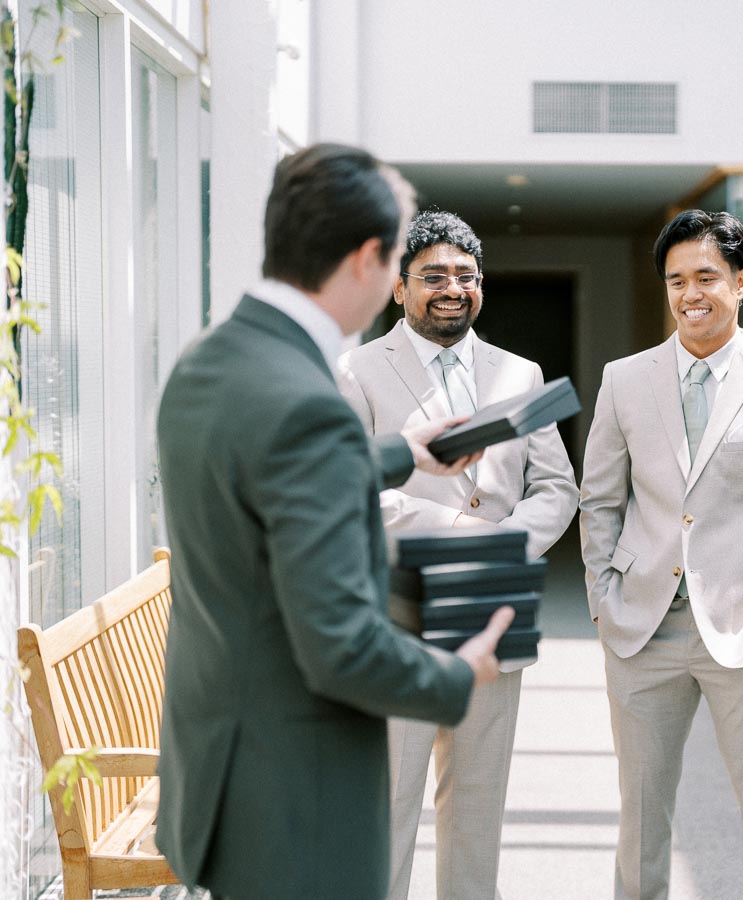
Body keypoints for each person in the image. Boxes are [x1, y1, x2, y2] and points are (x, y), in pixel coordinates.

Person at [155, 143, 512, 900]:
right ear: (368, 260)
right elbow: (341, 650)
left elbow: (266, 479)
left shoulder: (208, 361)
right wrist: (458, 673)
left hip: (217, 772)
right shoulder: (311, 406)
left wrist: (395, 455)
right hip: (297, 798)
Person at [579, 210, 743, 899]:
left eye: (706, 277)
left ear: (740, 281)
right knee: (641, 817)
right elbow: (599, 499)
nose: (691, 294)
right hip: (642, 628)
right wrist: (603, 599)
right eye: (676, 280)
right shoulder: (624, 380)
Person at [337, 209, 579, 900]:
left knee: (477, 803)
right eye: (434, 275)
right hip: (398, 617)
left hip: (493, 609)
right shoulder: (355, 371)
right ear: (399, 287)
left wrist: (505, 544)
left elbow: (556, 487)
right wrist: (456, 531)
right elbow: (350, 486)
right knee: (390, 803)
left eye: (466, 276)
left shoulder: (520, 372)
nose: (452, 288)